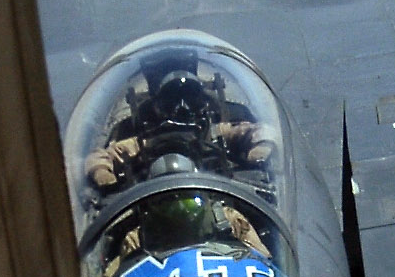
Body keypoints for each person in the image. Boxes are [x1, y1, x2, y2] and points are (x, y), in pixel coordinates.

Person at [82, 67, 274, 196]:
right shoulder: (144, 142)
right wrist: (102, 173)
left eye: (191, 100)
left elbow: (254, 131)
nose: (182, 108)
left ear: (202, 105)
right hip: (155, 202)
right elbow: (100, 157)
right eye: (172, 102)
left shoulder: (213, 133)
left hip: (212, 197)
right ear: (159, 107)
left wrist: (260, 148)